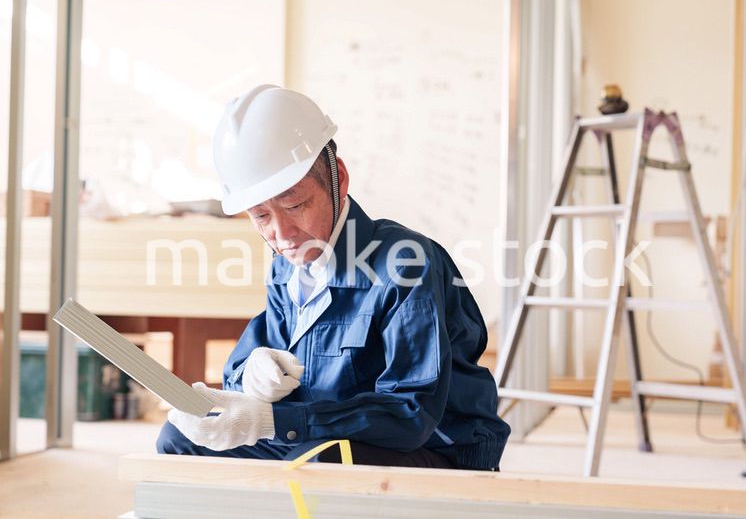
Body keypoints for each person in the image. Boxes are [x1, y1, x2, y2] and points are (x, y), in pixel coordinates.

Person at [158, 84, 510, 470]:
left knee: (318, 463)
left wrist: (274, 421)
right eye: (261, 216)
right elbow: (243, 370)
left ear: (338, 177)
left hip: (434, 445)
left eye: (295, 205)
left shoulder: (405, 264)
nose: (282, 234)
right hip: (321, 433)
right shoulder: (287, 268)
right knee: (179, 439)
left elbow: (412, 414)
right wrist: (252, 375)